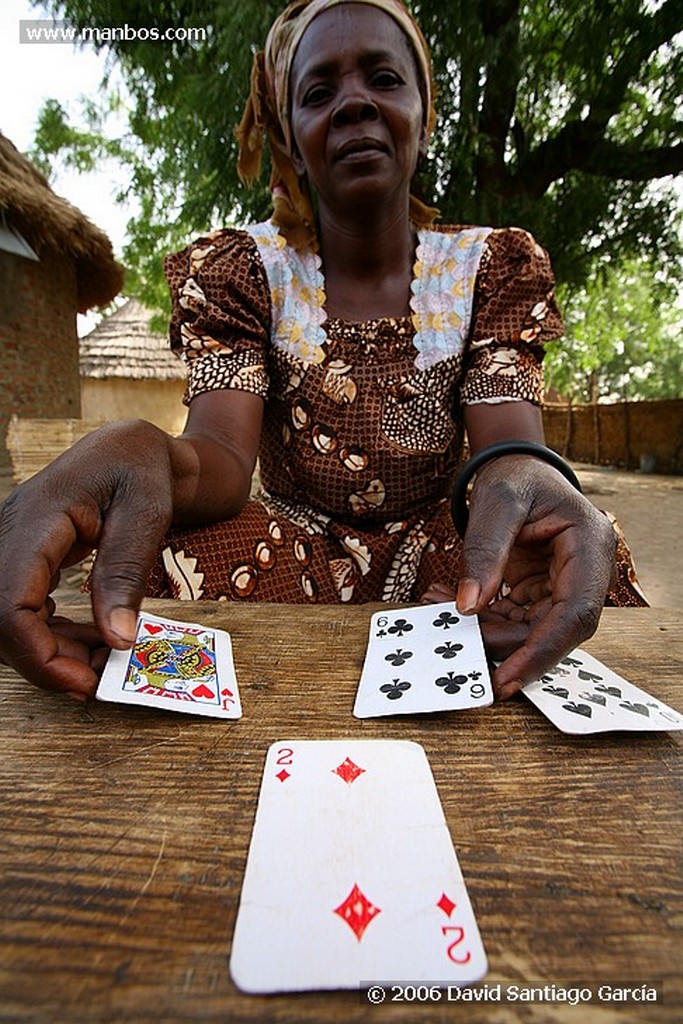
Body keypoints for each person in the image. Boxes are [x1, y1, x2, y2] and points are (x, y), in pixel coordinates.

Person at [0, 0, 645, 703]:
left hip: (445, 543)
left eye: (383, 80)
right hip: (291, 543)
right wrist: (136, 448)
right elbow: (218, 462)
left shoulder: (490, 266)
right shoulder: (244, 271)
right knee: (160, 560)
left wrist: (532, 485)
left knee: (579, 549)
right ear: (289, 139)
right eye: (318, 93)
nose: (354, 105)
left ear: (426, 118)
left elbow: (509, 459)